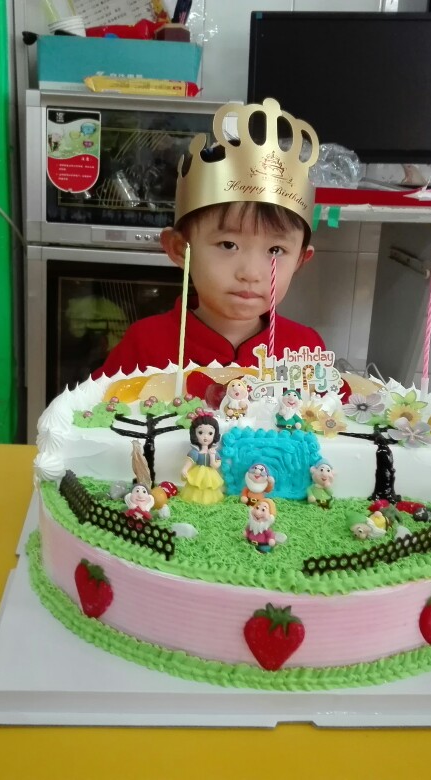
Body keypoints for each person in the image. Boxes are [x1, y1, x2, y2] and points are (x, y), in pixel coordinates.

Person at [94, 98, 325, 382]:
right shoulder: (143, 346)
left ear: (301, 259)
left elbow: (335, 409)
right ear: (180, 248)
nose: (250, 273)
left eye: (275, 249)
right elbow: (97, 406)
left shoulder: (305, 350)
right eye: (228, 245)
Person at [179, 413, 224, 504]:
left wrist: (212, 456)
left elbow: (215, 466)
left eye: (210, 433)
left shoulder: (214, 452)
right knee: (196, 485)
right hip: (197, 473)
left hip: (210, 474)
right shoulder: (195, 452)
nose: (205, 437)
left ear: (214, 435)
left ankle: (208, 500)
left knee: (209, 486)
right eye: (200, 432)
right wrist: (185, 469)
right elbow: (189, 462)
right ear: (194, 433)